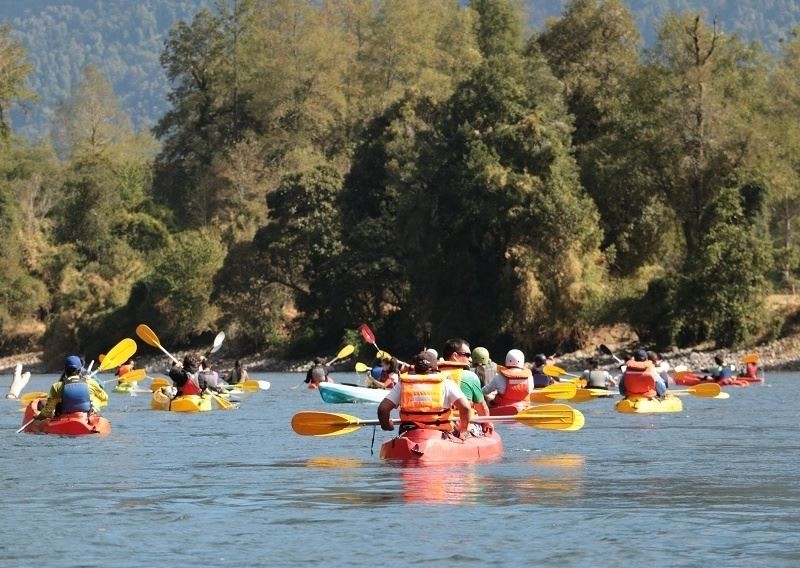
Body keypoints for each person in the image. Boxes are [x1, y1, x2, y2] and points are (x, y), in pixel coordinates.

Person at [377, 351, 472, 438]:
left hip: (409, 432)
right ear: (436, 367)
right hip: (439, 433)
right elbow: (465, 407)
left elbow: (383, 409)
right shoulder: (447, 383)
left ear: (416, 368)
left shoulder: (403, 383)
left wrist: (387, 426)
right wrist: (463, 429)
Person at [438, 338, 493, 433]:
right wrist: (487, 423)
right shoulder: (470, 376)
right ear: (455, 355)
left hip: (439, 425)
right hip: (463, 427)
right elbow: (482, 409)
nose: (471, 359)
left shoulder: (433, 376)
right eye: (467, 355)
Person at [35, 355, 108, 419]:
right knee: (96, 396)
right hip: (85, 417)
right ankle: (92, 412)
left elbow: (48, 411)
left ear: (65, 371)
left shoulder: (56, 386)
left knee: (56, 401)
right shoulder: (91, 382)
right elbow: (105, 397)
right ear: (80, 370)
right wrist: (91, 399)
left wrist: (38, 417)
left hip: (63, 418)